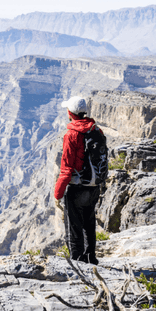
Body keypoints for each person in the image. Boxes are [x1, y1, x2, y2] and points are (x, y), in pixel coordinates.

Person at [54, 96, 102, 265]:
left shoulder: (72, 135)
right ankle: (91, 258)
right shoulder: (96, 130)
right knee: (89, 223)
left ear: (70, 113)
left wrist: (58, 194)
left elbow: (66, 169)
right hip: (94, 186)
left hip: (77, 188)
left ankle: (77, 262)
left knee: (74, 227)